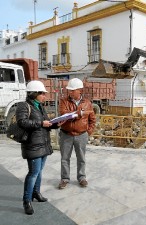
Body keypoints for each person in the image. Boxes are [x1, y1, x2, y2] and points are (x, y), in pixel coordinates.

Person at [16, 80, 60, 215]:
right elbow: (22, 122)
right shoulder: (23, 106)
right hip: (32, 145)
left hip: (43, 144)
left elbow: (46, 123)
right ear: (34, 93)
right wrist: (41, 123)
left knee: (39, 172)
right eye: (42, 93)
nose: (44, 96)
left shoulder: (40, 106)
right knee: (33, 173)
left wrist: (56, 123)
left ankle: (36, 193)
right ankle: (26, 201)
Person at [58, 78, 96, 189]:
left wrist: (88, 132)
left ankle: (82, 177)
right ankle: (64, 179)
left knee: (81, 158)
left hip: (81, 135)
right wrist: (80, 113)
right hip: (66, 135)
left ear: (80, 90)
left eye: (72, 90)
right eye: (69, 90)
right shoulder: (64, 101)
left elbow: (92, 119)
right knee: (65, 158)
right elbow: (65, 115)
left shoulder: (87, 103)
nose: (70, 92)